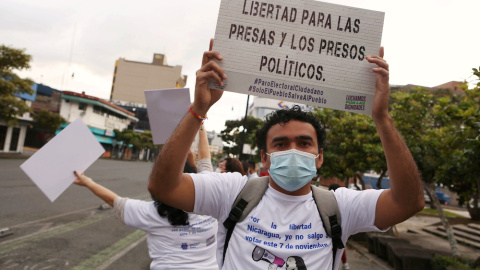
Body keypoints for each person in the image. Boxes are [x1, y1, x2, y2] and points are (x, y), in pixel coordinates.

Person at [148, 39, 424, 269]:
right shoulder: (232, 192)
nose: (293, 150)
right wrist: (199, 109)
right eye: (280, 144)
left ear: (320, 157)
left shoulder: (341, 207)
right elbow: (163, 186)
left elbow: (408, 202)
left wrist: (382, 117)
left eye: (304, 143)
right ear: (264, 158)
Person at [74, 162, 219, 270]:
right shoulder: (212, 205)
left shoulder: (153, 213)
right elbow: (205, 166)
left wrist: (88, 182)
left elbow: (115, 201)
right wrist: (200, 126)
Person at [329, 183, 349, 270]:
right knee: (340, 246)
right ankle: (344, 264)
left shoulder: (328, 201)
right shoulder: (342, 203)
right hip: (338, 230)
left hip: (330, 230)